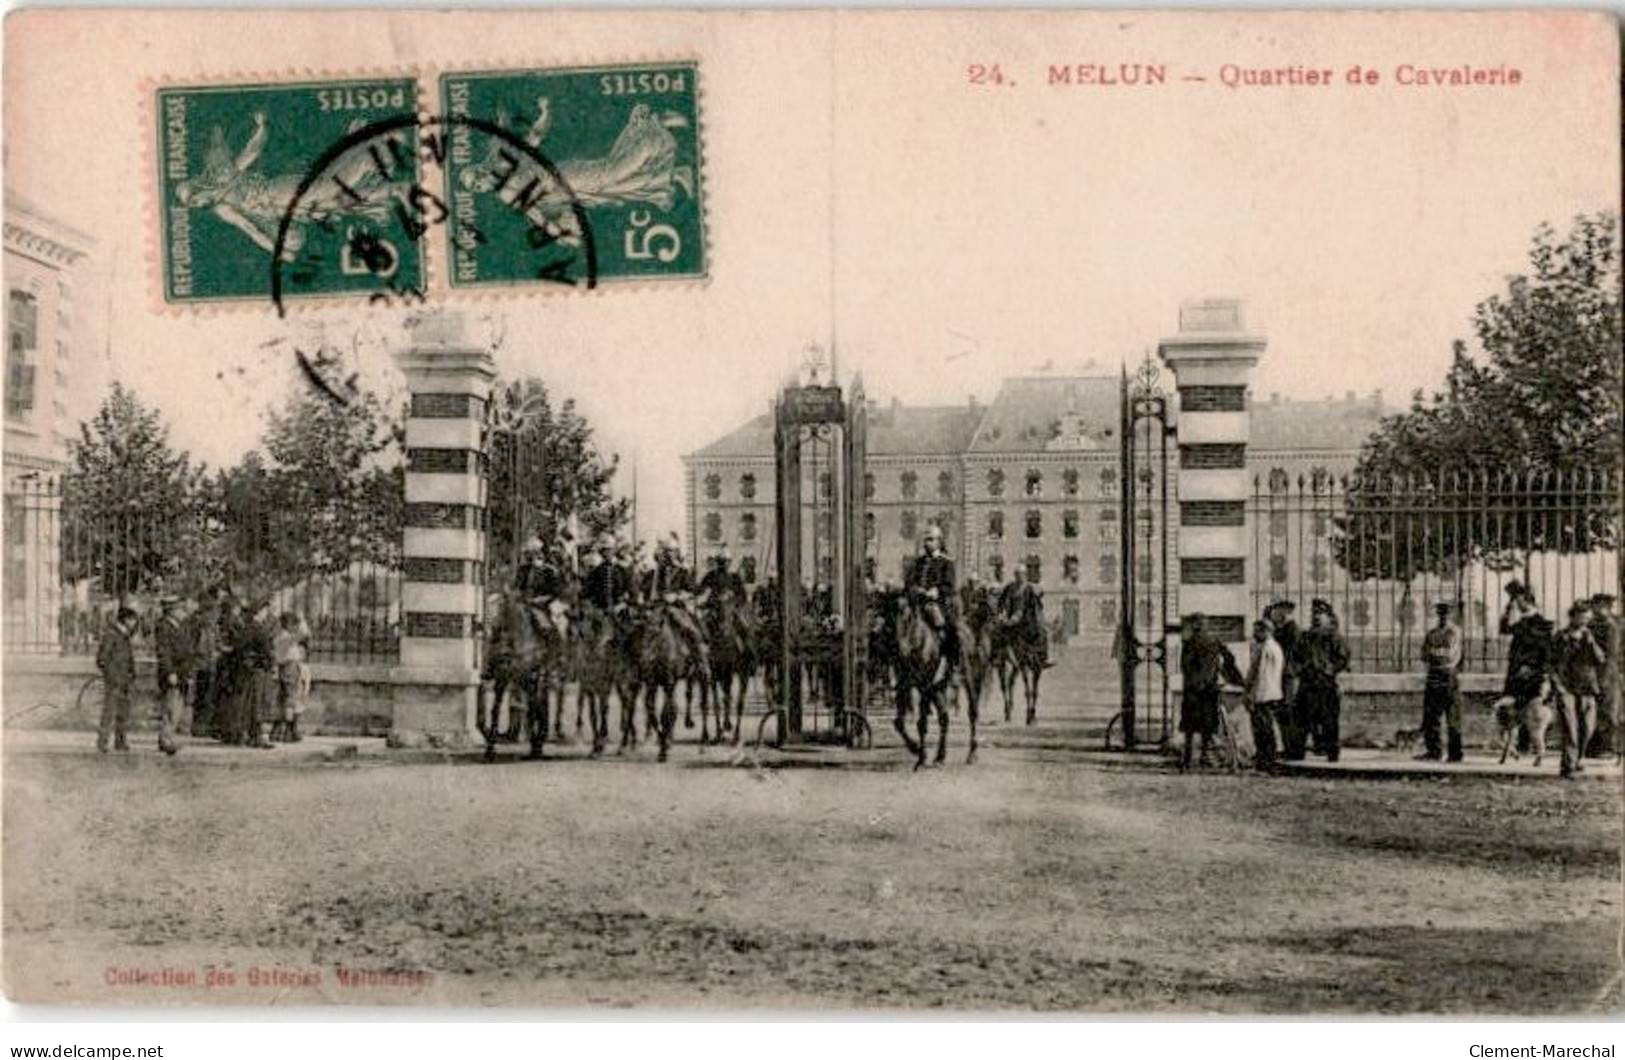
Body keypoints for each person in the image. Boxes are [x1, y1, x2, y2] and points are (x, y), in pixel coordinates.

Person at [1179, 613, 1244, 771]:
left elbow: (1185, 666)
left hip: (1193, 690)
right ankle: (1204, 757)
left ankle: (1187, 760)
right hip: (1209, 689)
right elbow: (1229, 659)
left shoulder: (1189, 643)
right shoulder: (1214, 641)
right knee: (1207, 725)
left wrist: (1193, 680)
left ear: (1195, 626)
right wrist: (1236, 679)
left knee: (1190, 727)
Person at [1551, 601, 1605, 778]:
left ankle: (1578, 758)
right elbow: (1551, 664)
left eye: (1587, 618)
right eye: (1582, 617)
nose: (1585, 621)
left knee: (1587, 727)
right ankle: (1568, 766)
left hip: (1588, 687)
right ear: (1573, 616)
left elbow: (1600, 660)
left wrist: (1591, 643)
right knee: (1570, 727)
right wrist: (1557, 685)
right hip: (1566, 687)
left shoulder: (1589, 637)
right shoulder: (1560, 637)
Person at [1500, 581, 1554, 754]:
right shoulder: (1523, 622)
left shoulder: (1542, 623)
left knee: (1531, 709)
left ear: (1527, 601)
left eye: (1519, 601)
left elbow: (1545, 652)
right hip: (1516, 673)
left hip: (1532, 674)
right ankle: (1519, 745)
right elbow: (1505, 628)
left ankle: (1530, 745)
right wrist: (1509, 607)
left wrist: (1533, 669)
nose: (1517, 604)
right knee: (1514, 709)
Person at [1298, 599, 1350, 762]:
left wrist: (1332, 669)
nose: (1316, 617)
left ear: (1328, 617)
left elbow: (1343, 658)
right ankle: (1299, 752)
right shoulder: (1305, 637)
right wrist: (1301, 669)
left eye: (1320, 614)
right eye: (1314, 614)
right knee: (1303, 719)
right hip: (1307, 683)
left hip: (1326, 683)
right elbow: (1296, 656)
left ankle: (1332, 752)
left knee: (1329, 720)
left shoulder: (1334, 637)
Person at [905, 523, 960, 672]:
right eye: (925, 540)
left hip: (938, 605)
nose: (927, 543)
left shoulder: (946, 563)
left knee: (952, 630)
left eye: (930, 539)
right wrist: (914, 590)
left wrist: (937, 591)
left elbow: (949, 586)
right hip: (917, 605)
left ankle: (952, 665)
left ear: (939, 542)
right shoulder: (918, 563)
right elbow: (909, 583)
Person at [1419, 601, 1465, 762]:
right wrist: (1436, 655)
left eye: (1446, 614)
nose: (1443, 617)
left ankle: (1455, 753)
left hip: (1447, 674)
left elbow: (1449, 655)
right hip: (1436, 674)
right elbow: (1424, 654)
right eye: (1441, 614)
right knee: (1431, 716)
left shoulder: (1454, 632)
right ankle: (1434, 750)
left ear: (1451, 615)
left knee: (1452, 716)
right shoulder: (1432, 633)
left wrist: (1436, 654)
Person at [1264, 600, 1306, 759]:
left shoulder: (1292, 630)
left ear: (1284, 612)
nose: (1273, 614)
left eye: (1276, 610)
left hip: (1288, 676)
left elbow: (1289, 655)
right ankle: (1289, 747)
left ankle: (1294, 749)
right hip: (1284, 675)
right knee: (1283, 713)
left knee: (1288, 712)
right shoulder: (1283, 629)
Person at [1244, 618, 1287, 769]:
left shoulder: (1265, 649)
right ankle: (1267, 757)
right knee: (1266, 727)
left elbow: (1260, 674)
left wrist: (1251, 695)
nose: (1254, 634)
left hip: (1263, 694)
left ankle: (1266, 759)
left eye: (1257, 631)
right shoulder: (1275, 647)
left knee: (1262, 729)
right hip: (1273, 692)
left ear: (1265, 631)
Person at [95, 606, 139, 754]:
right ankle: (103, 741)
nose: (134, 623)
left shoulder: (124, 635)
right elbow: (102, 659)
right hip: (115, 680)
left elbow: (128, 658)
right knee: (109, 711)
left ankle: (120, 741)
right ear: (125, 620)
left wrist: (131, 674)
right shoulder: (112, 635)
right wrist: (112, 676)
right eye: (132, 620)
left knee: (123, 712)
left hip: (125, 680)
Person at [152, 595, 189, 756]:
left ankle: (166, 737)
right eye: (180, 608)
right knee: (171, 707)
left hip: (180, 672)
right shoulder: (164, 627)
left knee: (176, 706)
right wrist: (170, 672)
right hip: (172, 673)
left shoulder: (177, 626)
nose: (183, 611)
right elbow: (164, 652)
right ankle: (166, 739)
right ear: (171, 611)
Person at [1585, 593, 1618, 757]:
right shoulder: (1591, 625)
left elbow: (1611, 653)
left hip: (1606, 673)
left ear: (1607, 607)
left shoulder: (1611, 626)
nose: (1594, 608)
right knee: (1593, 711)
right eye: (1594, 605)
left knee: (1607, 711)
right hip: (1592, 673)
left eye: (1598, 605)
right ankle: (1592, 747)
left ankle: (1606, 748)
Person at [188, 590, 222, 738]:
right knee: (202, 695)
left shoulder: (212, 627)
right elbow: (193, 645)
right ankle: (199, 726)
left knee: (208, 695)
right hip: (202, 663)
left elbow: (217, 642)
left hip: (210, 663)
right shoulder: (198, 624)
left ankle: (204, 725)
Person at [271, 611, 307, 743]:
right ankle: (289, 731)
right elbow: (303, 633)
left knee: (282, 699)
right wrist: (302, 619)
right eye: (293, 624)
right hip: (289, 667)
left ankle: (278, 731)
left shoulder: (278, 637)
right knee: (290, 700)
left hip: (283, 668)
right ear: (289, 625)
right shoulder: (286, 638)